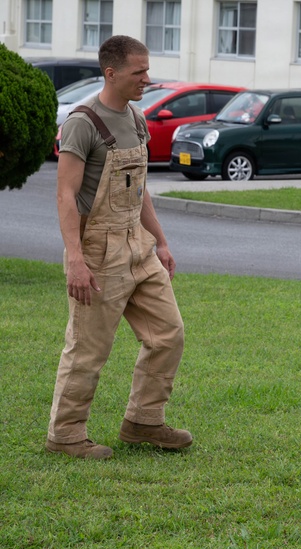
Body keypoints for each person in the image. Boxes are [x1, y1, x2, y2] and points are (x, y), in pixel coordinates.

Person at [46, 35, 192, 460]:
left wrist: (160, 242)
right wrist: (75, 258)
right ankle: (66, 434)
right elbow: (65, 195)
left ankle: (144, 422)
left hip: (138, 245)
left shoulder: (136, 118)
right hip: (97, 252)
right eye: (139, 71)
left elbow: (139, 187)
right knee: (89, 348)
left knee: (168, 334)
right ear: (111, 73)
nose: (147, 78)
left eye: (147, 69)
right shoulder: (82, 123)